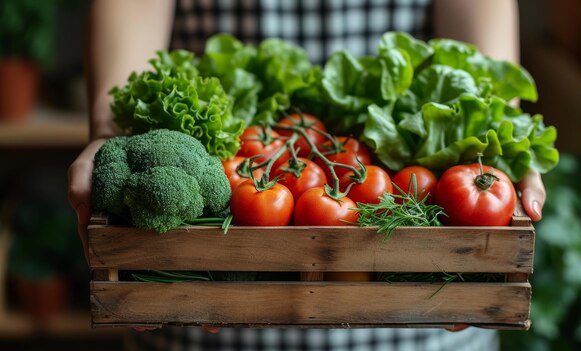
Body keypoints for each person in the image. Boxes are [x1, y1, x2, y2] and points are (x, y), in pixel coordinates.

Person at [68, 0, 546, 350]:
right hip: (209, 314)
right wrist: (111, 131)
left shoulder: (346, 170)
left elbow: (481, 40)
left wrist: (499, 137)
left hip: (413, 314)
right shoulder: (269, 165)